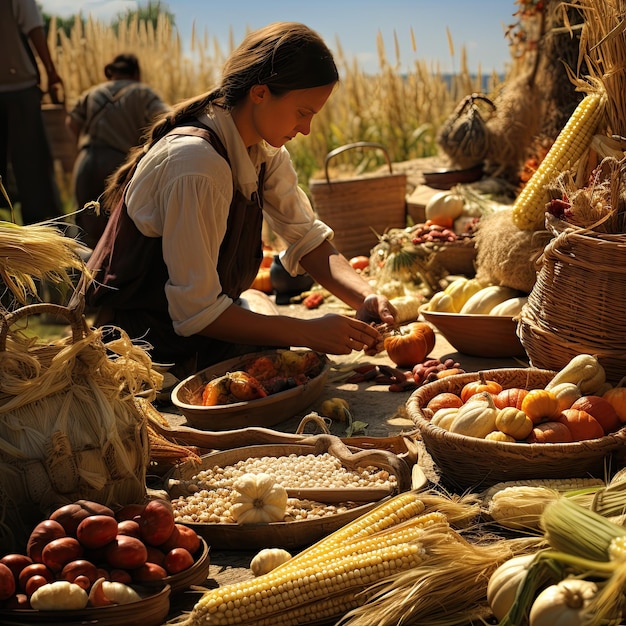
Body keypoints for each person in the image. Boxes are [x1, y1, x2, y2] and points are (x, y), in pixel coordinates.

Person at [85, 22, 396, 378]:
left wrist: (364, 296)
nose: (307, 129)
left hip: (202, 333)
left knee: (275, 332)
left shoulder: (262, 152)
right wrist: (309, 332)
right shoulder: (197, 164)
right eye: (303, 112)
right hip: (148, 350)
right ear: (260, 93)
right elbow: (195, 312)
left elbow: (306, 237)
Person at [66, 53, 169, 249]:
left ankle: (79, 276)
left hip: (85, 161)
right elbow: (165, 118)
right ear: (136, 73)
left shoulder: (93, 92)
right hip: (116, 164)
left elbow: (71, 121)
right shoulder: (142, 92)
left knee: (84, 229)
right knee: (114, 232)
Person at [0, 0, 63, 224]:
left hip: (16, 85)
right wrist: (51, 73)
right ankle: (41, 230)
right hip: (20, 86)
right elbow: (33, 28)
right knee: (33, 169)